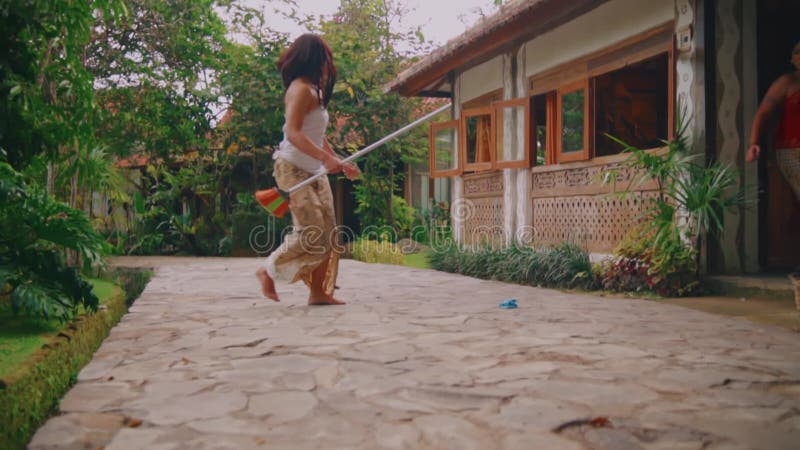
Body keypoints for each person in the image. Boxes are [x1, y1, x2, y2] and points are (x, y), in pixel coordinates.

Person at [256, 34, 359, 305]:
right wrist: (326, 159)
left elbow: (316, 134)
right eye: (325, 59)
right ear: (313, 60)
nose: (328, 66)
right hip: (292, 168)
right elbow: (293, 133)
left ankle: (318, 292)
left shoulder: (317, 91)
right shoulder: (300, 89)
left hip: (315, 171)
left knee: (328, 230)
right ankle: (267, 271)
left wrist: (338, 160)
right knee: (310, 230)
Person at [746, 39, 800, 200]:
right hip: (790, 150)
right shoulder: (787, 82)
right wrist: (753, 144)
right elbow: (762, 113)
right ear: (793, 58)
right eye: (798, 53)